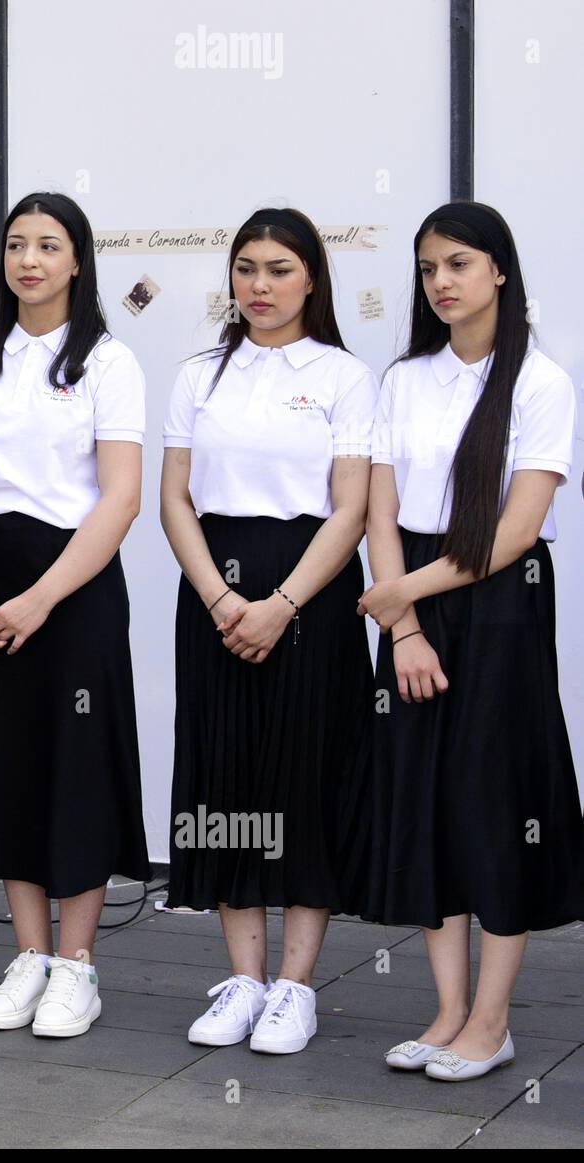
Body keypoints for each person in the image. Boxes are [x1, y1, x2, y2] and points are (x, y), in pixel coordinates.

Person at [355, 201, 584, 1080]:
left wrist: (400, 593)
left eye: (458, 264)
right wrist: (404, 627)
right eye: (427, 269)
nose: (442, 283)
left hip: (499, 604)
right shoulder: (404, 379)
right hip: (412, 602)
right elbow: (380, 509)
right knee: (423, 802)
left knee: (493, 804)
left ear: (499, 271)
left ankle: (494, 1019)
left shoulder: (541, 383)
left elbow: (517, 529)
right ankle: (448, 1010)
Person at [0, 192, 152, 1038]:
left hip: (75, 582)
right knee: (4, 764)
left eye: (48, 246)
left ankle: (78, 966)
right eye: (16, 245)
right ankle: (29, 954)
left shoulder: (108, 361)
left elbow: (122, 498)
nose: (29, 260)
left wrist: (41, 597)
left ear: (77, 261)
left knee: (78, 766)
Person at [160, 207, 377, 1054]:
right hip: (214, 590)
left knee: (306, 779)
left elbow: (352, 507)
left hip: (310, 594)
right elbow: (175, 498)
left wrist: (282, 603)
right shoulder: (197, 375)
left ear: (312, 279)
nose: (259, 285)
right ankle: (244, 981)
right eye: (246, 268)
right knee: (227, 780)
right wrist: (220, 598)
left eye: (279, 269)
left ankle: (296, 986)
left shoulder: (343, 377)